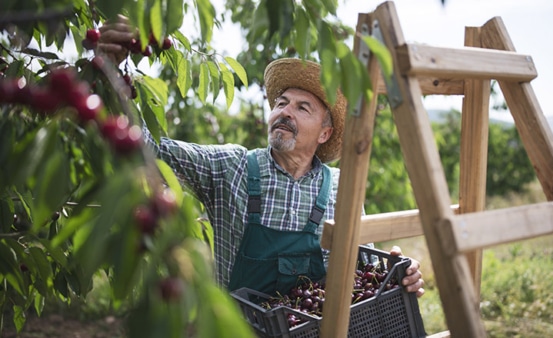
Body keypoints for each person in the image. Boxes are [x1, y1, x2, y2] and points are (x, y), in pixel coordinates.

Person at [98, 18, 425, 297]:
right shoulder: (231, 167)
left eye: (302, 107)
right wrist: (112, 73)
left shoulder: (343, 187)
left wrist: (398, 271)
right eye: (281, 103)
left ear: (324, 133)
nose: (285, 112)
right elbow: (145, 146)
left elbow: (364, 270)